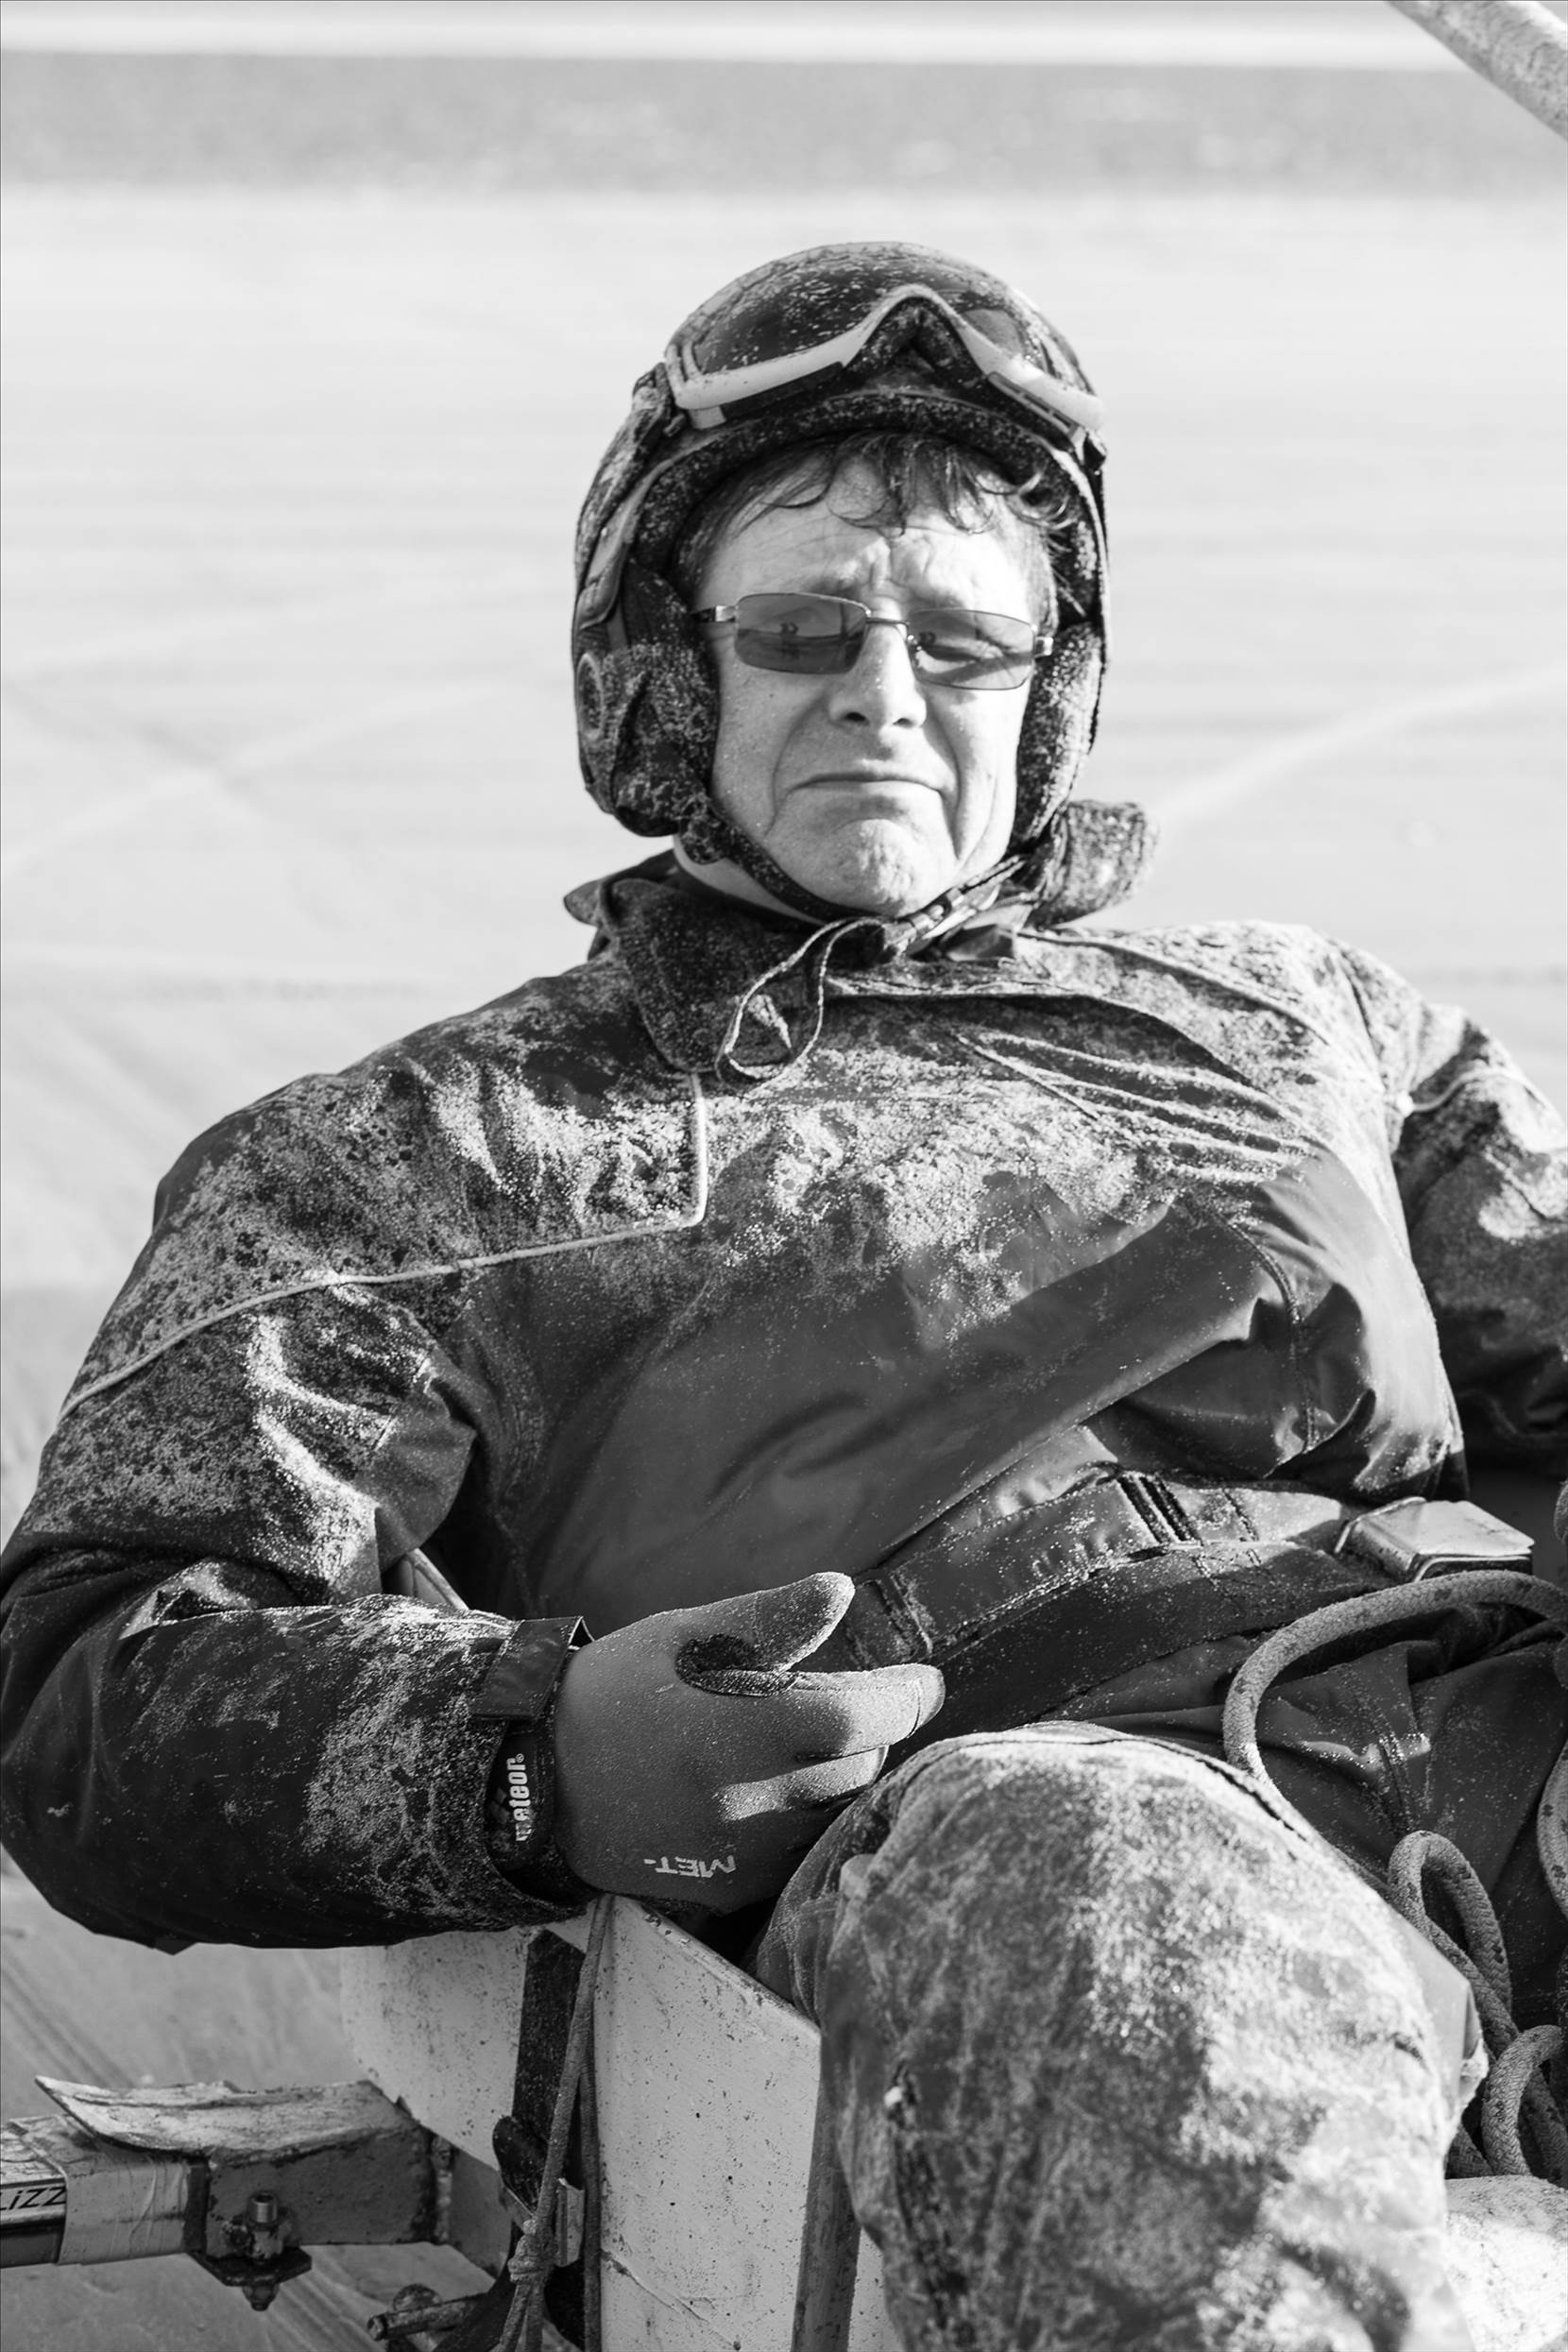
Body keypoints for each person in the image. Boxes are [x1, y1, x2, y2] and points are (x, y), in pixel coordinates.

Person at [2, 244, 1564, 2350]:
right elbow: (89, 1682)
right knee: (1108, 1914)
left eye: (965, 641)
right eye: (805, 629)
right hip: (1050, 1823)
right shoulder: (437, 1152)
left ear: (1049, 684)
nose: (886, 693)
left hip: (1474, 1715)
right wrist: (534, 1751)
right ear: (672, 668)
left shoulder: (1307, 1032)